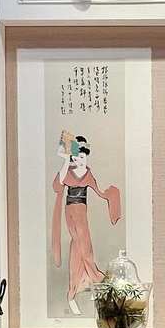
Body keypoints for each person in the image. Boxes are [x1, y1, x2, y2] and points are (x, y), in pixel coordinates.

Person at [52, 135, 121, 315]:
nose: (79, 161)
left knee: (83, 247)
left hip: (82, 212)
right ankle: (95, 283)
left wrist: (111, 194)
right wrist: (65, 160)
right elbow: (57, 185)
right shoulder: (69, 171)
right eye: (76, 158)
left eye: (82, 157)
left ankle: (78, 289)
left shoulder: (88, 174)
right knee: (82, 246)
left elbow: (100, 191)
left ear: (86, 156)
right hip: (70, 212)